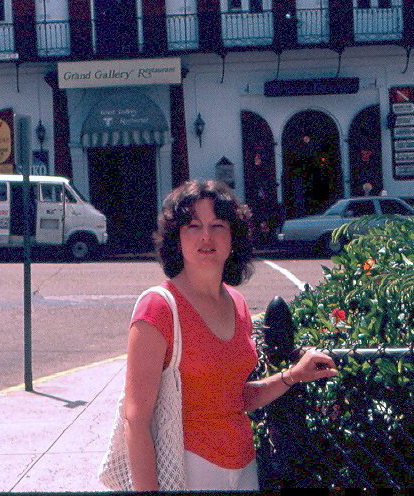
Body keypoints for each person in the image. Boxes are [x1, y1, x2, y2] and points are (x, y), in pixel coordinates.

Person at [124, 180, 337, 491]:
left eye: (218, 225)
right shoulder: (158, 307)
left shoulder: (236, 304)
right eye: (193, 225)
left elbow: (235, 398)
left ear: (233, 237)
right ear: (177, 238)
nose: (206, 236)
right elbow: (136, 420)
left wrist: (293, 375)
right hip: (190, 469)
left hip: (244, 467)